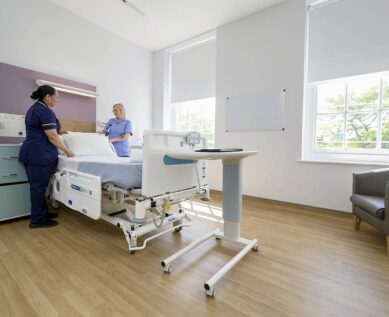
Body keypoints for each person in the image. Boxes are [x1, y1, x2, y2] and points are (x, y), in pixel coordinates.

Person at [18, 85, 74, 229]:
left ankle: (42, 213)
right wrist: (68, 151)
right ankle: (37, 220)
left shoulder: (34, 109)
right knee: (38, 188)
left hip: (33, 153)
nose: (57, 100)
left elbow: (50, 132)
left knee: (39, 187)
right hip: (39, 156)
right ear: (47, 97)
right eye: (56, 97)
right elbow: (52, 136)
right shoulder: (45, 111)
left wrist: (67, 133)